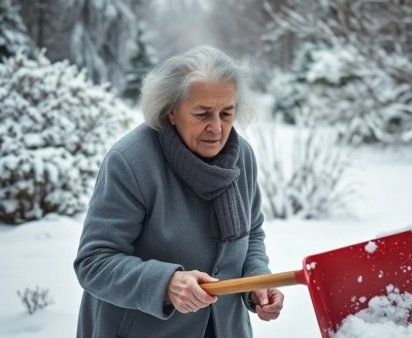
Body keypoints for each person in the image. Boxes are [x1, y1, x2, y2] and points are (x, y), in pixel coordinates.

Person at [73, 46, 284, 338]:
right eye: (202, 114)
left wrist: (256, 279)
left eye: (226, 113)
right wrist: (166, 284)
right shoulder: (131, 161)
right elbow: (94, 263)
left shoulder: (242, 157)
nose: (217, 128)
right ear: (171, 112)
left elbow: (253, 234)